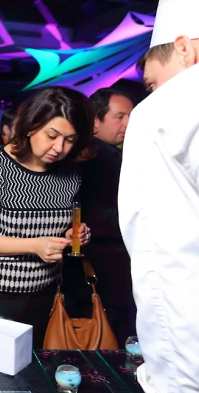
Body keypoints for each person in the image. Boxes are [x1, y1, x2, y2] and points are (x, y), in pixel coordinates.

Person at [118, 1, 199, 393]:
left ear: (185, 49)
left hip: (189, 357)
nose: (152, 95)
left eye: (152, 83)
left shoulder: (178, 101)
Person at [0, 87, 95, 349]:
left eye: (70, 139)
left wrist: (74, 234)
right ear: (31, 126)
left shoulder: (71, 172)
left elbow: (62, 227)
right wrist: (35, 245)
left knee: (38, 368)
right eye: (52, 135)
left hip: (46, 292)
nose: (59, 148)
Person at [63, 88, 135, 346]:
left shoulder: (111, 153)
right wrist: (139, 217)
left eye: (130, 116)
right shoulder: (93, 157)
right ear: (95, 121)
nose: (127, 123)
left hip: (107, 272)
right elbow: (90, 215)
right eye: (120, 117)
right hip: (99, 270)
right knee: (101, 341)